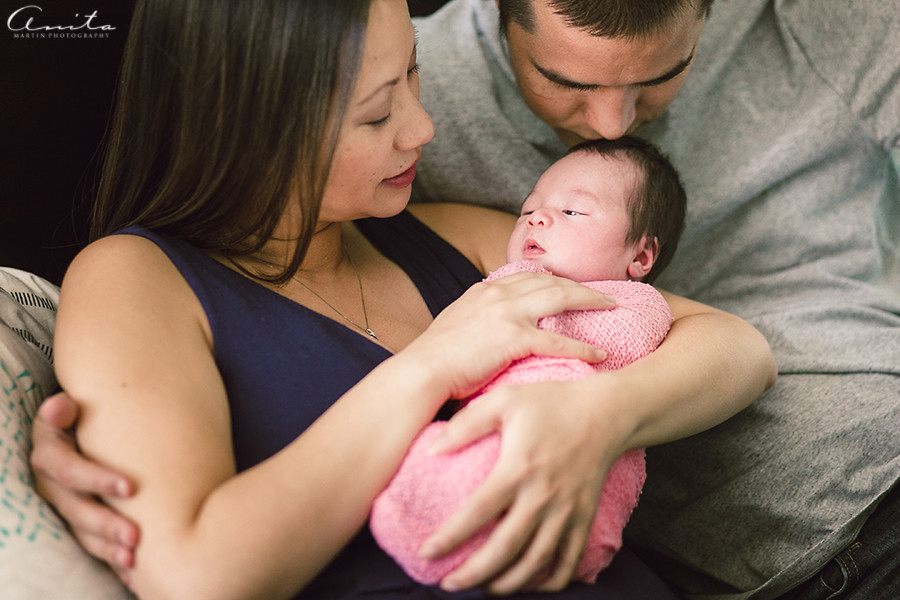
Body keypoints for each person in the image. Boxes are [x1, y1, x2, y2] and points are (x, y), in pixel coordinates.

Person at [29, 0, 778, 598]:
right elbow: (198, 576)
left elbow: (735, 348)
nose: (423, 127)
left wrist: (597, 418)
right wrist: (430, 366)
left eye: (414, 76)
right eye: (378, 112)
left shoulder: (456, 239)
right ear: (250, 124)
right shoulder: (136, 279)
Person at [405, 1, 898, 598]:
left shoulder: (820, 19)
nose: (614, 123)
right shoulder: (412, 93)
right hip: (806, 537)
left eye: (664, 73)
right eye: (565, 80)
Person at [370, 136, 685, 585]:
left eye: (572, 212)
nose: (537, 218)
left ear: (640, 255)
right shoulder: (500, 284)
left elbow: (612, 350)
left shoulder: (638, 306)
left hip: (579, 452)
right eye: (528, 210)